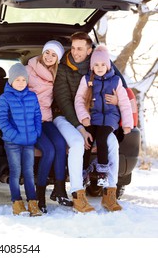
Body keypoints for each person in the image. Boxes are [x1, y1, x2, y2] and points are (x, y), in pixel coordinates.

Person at [52, 32, 122, 213]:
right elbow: (65, 102)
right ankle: (78, 194)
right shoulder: (63, 69)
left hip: (95, 119)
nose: (75, 52)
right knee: (77, 143)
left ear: (89, 50)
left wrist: (116, 101)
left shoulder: (98, 64)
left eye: (80, 49)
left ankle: (109, 193)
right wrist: (81, 128)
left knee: (112, 143)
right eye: (73, 48)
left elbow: (117, 87)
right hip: (65, 116)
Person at [75, 45, 133, 191]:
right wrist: (84, 117)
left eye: (102, 65)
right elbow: (79, 100)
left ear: (107, 65)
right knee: (87, 140)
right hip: (93, 117)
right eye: (96, 65)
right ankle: (84, 172)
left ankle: (102, 173)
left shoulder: (116, 81)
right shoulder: (87, 79)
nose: (99, 67)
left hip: (110, 118)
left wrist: (127, 124)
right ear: (91, 66)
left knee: (101, 138)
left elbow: (125, 103)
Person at [27, 40, 72, 213]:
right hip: (30, 120)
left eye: (54, 55)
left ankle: (59, 190)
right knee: (49, 150)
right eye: (47, 53)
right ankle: (40, 195)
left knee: (61, 145)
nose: (49, 57)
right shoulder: (29, 69)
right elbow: (13, 90)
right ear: (42, 52)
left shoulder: (57, 74)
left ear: (57, 59)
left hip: (47, 119)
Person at [0, 63, 43, 216]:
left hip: (29, 141)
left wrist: (36, 132)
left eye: (24, 79)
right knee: (16, 172)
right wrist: (15, 136)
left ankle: (33, 203)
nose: (21, 83)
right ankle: (17, 202)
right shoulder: (4, 99)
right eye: (18, 80)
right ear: (11, 81)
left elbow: (37, 115)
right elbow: (2, 120)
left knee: (29, 172)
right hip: (13, 143)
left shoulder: (32, 96)